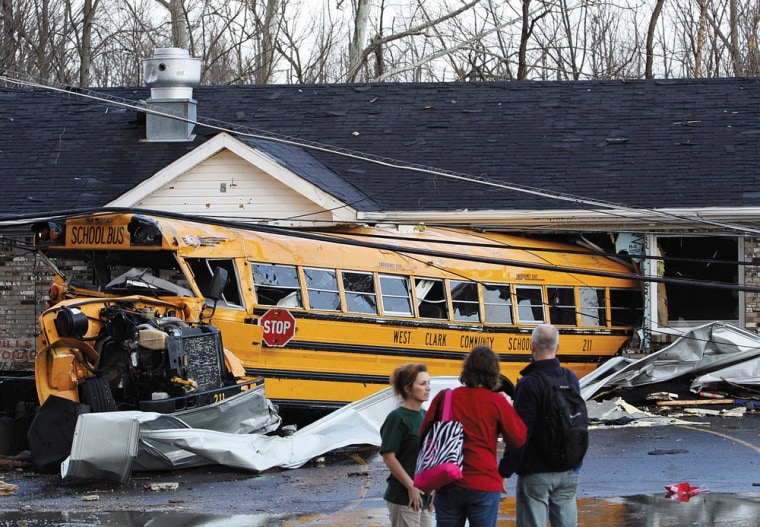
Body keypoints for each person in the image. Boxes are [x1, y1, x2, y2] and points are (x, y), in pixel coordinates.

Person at [420, 346, 527, 527]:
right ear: (494, 373)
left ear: (466, 369)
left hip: (448, 481)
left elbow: (423, 435)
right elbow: (518, 439)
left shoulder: (445, 398)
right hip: (484, 482)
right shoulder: (497, 402)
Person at [499, 324, 584, 527]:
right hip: (569, 468)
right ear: (559, 347)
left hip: (536, 471)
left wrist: (505, 470)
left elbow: (520, 432)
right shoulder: (570, 378)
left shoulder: (529, 383)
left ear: (531, 346)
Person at [380, 363, 435, 527]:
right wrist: (411, 487)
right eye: (422, 384)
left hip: (425, 497)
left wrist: (434, 489)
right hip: (404, 496)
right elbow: (389, 457)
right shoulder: (397, 418)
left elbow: (430, 455)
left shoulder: (426, 416)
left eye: (429, 383)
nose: (428, 388)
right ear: (407, 389)